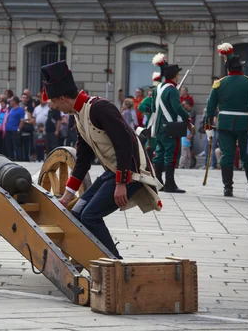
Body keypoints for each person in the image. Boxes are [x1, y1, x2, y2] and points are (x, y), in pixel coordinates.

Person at [45, 61, 162, 259]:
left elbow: (125, 143)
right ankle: (94, 259)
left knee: (90, 216)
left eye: (54, 102)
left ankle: (115, 264)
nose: (55, 107)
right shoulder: (79, 115)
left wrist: (121, 182)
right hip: (112, 173)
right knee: (78, 213)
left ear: (63, 98)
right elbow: (83, 158)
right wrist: (67, 195)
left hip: (132, 173)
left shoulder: (99, 108)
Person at [207, 43, 248, 198]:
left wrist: (208, 125)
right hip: (245, 124)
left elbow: (210, 106)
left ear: (228, 69)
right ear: (242, 69)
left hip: (224, 123)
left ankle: (228, 188)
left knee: (227, 156)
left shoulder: (219, 83)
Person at [150, 53, 193, 193]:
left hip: (159, 127)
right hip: (170, 127)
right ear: (175, 76)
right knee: (171, 154)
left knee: (160, 153)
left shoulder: (157, 88)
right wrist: (187, 118)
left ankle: (158, 181)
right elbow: (177, 108)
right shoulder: (172, 89)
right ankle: (170, 184)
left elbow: (153, 108)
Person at [4, 96, 25, 161]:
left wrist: (18, 129)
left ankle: (19, 158)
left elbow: (22, 121)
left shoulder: (20, 109)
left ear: (14, 101)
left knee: (16, 145)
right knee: (9, 144)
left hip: (14, 129)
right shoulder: (11, 109)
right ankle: (11, 157)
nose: (10, 102)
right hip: (8, 129)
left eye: (11, 101)